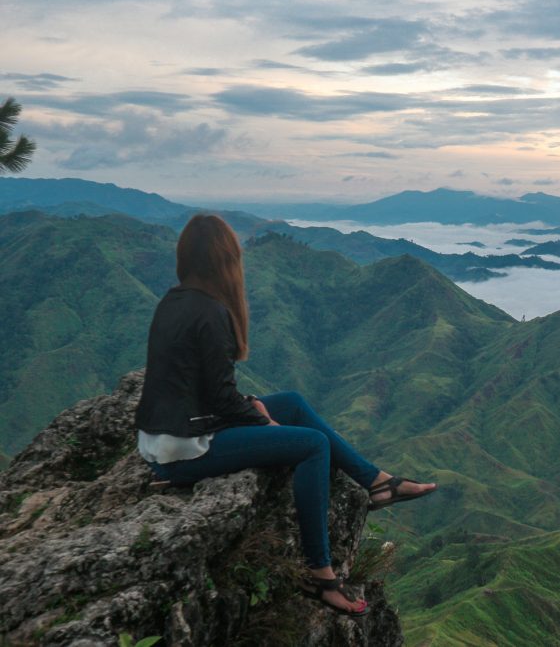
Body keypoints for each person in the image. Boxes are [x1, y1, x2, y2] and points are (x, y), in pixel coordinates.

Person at [134, 214, 436, 617]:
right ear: (227, 260)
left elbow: (201, 388)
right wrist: (262, 420)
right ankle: (321, 574)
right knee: (312, 445)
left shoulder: (173, 301)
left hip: (162, 437)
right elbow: (222, 400)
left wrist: (255, 407)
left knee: (291, 401)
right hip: (185, 447)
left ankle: (379, 483)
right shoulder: (211, 312)